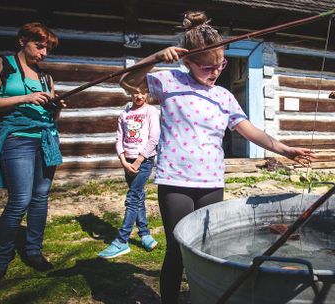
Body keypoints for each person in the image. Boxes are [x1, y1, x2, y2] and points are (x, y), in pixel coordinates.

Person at [120, 11, 315, 304]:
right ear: (187, 63)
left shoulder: (223, 96)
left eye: (221, 64)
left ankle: (204, 295)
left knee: (207, 246)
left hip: (211, 180)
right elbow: (127, 82)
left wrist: (284, 149)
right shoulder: (169, 81)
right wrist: (156, 58)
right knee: (178, 248)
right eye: (207, 67)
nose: (216, 71)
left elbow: (249, 130)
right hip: (175, 181)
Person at [0, 22, 65, 292]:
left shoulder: (46, 77)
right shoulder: (1, 65)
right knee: (20, 200)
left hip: (46, 139)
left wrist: (56, 107)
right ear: (22, 40)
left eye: (48, 49)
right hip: (18, 139)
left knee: (41, 197)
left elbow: (51, 116)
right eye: (39, 46)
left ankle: (33, 251)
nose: (43, 53)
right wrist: (25, 99)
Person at [97, 92, 161, 259]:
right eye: (135, 92)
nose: (139, 96)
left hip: (144, 161)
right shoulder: (124, 114)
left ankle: (121, 240)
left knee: (132, 197)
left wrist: (138, 161)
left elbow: (154, 138)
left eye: (142, 92)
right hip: (128, 161)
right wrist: (124, 161)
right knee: (138, 196)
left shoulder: (151, 111)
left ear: (147, 94)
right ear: (130, 93)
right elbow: (119, 139)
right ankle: (145, 235)